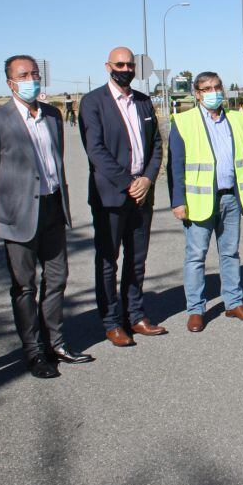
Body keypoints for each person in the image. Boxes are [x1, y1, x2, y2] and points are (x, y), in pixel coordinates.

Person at [0, 55, 93, 379]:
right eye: (24, 75)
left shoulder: (53, 115)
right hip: (18, 216)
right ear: (10, 82)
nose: (31, 79)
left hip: (53, 207)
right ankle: (34, 351)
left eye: (34, 73)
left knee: (57, 279)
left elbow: (56, 160)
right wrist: (4, 209)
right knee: (24, 286)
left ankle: (56, 342)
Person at [78, 47, 167, 347]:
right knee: (108, 261)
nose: (126, 68)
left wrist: (147, 179)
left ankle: (136, 315)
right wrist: (129, 182)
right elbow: (96, 150)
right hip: (111, 196)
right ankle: (112, 322)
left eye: (130, 64)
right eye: (120, 64)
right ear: (108, 66)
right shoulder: (93, 102)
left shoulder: (143, 102)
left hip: (142, 196)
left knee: (137, 260)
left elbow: (156, 144)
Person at [168, 71, 243, 332]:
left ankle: (234, 302)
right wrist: (178, 201)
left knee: (230, 253)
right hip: (199, 201)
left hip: (231, 197)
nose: (213, 92)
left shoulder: (238, 120)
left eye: (217, 87)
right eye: (206, 88)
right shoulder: (183, 121)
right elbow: (175, 165)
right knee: (196, 256)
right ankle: (196, 309)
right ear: (197, 94)